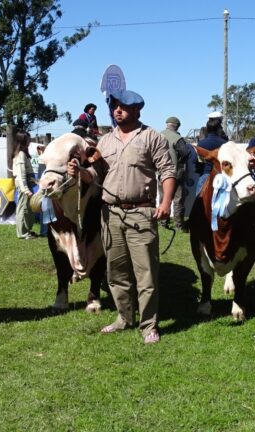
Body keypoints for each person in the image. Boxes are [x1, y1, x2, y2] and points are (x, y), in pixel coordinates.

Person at [67, 89, 175, 344]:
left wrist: (167, 202)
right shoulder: (105, 141)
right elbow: (95, 175)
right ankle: (124, 318)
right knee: (116, 272)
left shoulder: (151, 137)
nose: (117, 110)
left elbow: (168, 171)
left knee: (145, 273)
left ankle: (148, 325)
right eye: (115, 105)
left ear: (137, 109)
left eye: (124, 106)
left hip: (141, 213)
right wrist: (79, 172)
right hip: (111, 214)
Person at [160, 116, 191, 231]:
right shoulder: (177, 138)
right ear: (177, 126)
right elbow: (186, 152)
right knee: (178, 200)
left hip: (161, 172)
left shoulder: (157, 135)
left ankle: (163, 222)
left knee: (163, 198)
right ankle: (178, 225)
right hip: (175, 173)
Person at [13, 130, 37, 239]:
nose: (29, 141)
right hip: (24, 184)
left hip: (28, 183)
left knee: (27, 207)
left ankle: (26, 230)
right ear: (22, 141)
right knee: (23, 208)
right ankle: (22, 233)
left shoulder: (23, 153)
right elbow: (21, 174)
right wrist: (25, 189)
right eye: (27, 139)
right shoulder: (21, 154)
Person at [195, 117, 228, 195]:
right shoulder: (225, 143)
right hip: (221, 176)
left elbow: (198, 163)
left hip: (205, 174)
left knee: (198, 202)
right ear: (218, 129)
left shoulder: (201, 144)